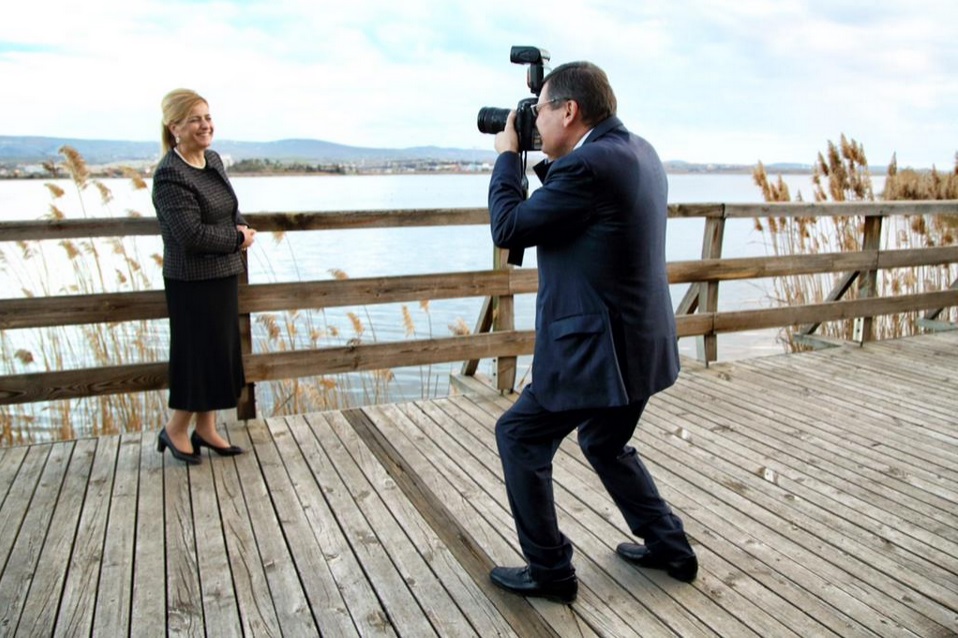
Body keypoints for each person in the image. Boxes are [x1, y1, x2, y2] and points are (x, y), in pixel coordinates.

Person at [486, 62, 697, 604]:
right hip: (643, 346)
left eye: (541, 111)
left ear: (569, 111)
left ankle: (551, 571)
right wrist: (542, 158)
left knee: (519, 436)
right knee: (604, 440)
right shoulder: (639, 151)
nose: (535, 121)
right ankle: (670, 544)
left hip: (594, 353)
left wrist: (509, 156)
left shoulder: (588, 170)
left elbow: (510, 228)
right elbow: (579, 212)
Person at [152, 88, 255, 464]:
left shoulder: (212, 160)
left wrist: (241, 229)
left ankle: (206, 429)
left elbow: (230, 207)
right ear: (174, 126)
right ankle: (176, 429)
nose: (205, 125)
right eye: (195, 119)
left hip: (224, 274)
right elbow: (190, 235)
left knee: (219, 354)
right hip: (191, 283)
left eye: (207, 117)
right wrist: (235, 239)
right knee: (197, 356)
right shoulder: (169, 174)